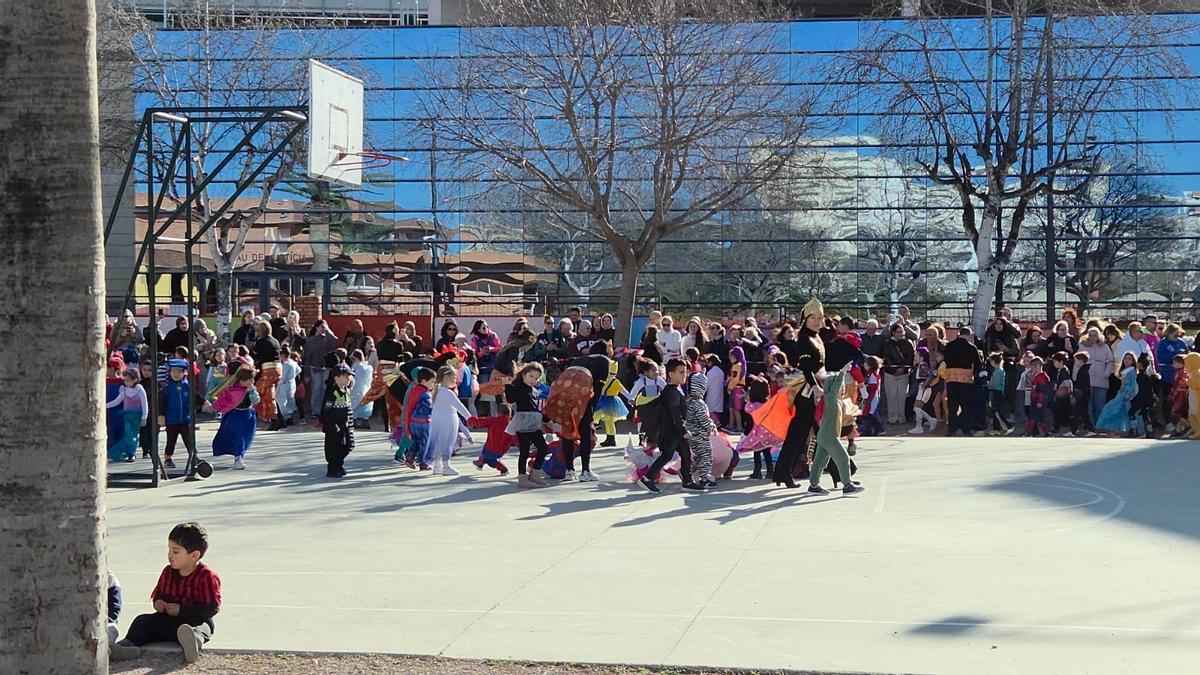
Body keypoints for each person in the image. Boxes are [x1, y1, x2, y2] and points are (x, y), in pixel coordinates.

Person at [109, 522, 221, 664]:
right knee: (142, 621)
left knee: (201, 628)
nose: (169, 555)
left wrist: (182, 610)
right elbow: (159, 594)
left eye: (175, 552)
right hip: (166, 620)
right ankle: (126, 645)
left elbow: (211, 607)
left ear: (194, 555)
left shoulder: (207, 576)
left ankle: (193, 643)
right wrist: (159, 603)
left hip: (194, 620)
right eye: (169, 550)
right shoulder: (168, 572)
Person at [773, 299, 827, 487]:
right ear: (806, 318)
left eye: (820, 317)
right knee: (821, 432)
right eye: (813, 317)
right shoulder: (804, 338)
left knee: (806, 433)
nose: (817, 320)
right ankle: (842, 472)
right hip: (807, 393)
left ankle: (782, 471)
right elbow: (805, 367)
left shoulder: (817, 336)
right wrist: (815, 387)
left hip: (815, 389)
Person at [637, 358, 703, 494]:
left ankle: (687, 481)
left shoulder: (675, 389)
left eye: (685, 372)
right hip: (672, 431)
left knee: (685, 454)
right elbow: (675, 413)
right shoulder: (672, 391)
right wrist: (683, 430)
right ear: (671, 374)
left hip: (675, 431)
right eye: (681, 372)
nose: (684, 375)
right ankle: (647, 478)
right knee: (667, 455)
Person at [807, 363, 865, 495]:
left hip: (825, 435)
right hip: (829, 436)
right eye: (841, 386)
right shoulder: (831, 398)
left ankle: (814, 485)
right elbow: (834, 389)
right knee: (843, 458)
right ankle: (847, 485)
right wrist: (842, 372)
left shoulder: (833, 399)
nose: (843, 388)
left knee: (820, 461)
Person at [563, 341, 615, 481]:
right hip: (583, 394)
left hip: (567, 392)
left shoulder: (579, 359)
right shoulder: (604, 360)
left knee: (568, 430)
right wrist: (591, 409)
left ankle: (569, 470)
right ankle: (585, 471)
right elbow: (599, 386)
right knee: (585, 431)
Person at [506, 363, 553, 488]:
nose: (534, 380)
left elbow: (537, 408)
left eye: (537, 378)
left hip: (534, 422)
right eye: (531, 376)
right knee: (524, 452)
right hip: (523, 423)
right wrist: (507, 385)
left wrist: (547, 420)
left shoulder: (534, 391)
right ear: (524, 374)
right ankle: (522, 478)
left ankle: (535, 474)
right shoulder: (517, 387)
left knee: (543, 449)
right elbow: (510, 399)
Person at [211, 365, 258, 470]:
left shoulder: (251, 390)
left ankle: (240, 456)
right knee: (238, 437)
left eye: (252, 380)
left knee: (246, 437)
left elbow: (256, 401)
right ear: (241, 380)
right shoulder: (232, 389)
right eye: (248, 380)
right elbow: (223, 400)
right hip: (235, 416)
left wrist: (252, 392)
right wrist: (216, 407)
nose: (250, 382)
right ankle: (238, 458)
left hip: (248, 416)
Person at [428, 366, 473, 476]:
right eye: (454, 377)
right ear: (446, 377)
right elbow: (459, 406)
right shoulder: (447, 392)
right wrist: (470, 418)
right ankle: (446, 466)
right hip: (448, 421)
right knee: (447, 442)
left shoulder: (436, 391)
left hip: (438, 421)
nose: (455, 380)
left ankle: (437, 466)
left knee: (439, 442)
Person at [684, 371, 718, 489]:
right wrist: (712, 427)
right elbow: (704, 419)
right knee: (705, 455)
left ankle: (686, 471)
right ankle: (704, 478)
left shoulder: (688, 401)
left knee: (697, 456)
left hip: (691, 434)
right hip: (701, 435)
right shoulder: (699, 403)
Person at [106, 367, 148, 463]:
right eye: (125, 380)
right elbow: (117, 401)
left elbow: (144, 404)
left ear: (135, 380)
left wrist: (144, 417)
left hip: (137, 416)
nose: (125, 382)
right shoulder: (123, 389)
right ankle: (128, 452)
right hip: (127, 416)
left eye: (128, 380)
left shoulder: (139, 389)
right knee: (128, 434)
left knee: (134, 435)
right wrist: (105, 406)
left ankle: (131, 453)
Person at [398, 367, 436, 470]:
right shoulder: (426, 394)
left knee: (415, 441)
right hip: (424, 422)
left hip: (413, 422)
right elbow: (429, 408)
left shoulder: (413, 390)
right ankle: (424, 462)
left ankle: (410, 458)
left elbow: (409, 407)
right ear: (424, 381)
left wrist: (407, 421)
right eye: (432, 382)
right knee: (425, 442)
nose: (433, 385)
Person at [468, 400, 516, 476]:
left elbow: (479, 422)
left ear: (498, 413)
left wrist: (470, 420)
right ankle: (502, 469)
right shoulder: (511, 425)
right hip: (502, 450)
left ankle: (480, 463)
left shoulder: (493, 420)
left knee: (486, 456)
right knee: (491, 459)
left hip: (490, 446)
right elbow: (514, 438)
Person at [160, 359, 192, 469]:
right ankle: (168, 458)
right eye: (174, 371)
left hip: (185, 419)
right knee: (171, 441)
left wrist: (204, 403)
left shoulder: (187, 385)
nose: (176, 374)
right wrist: (161, 416)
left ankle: (194, 457)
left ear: (184, 373)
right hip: (171, 420)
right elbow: (162, 402)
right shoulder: (166, 387)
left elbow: (195, 397)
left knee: (189, 439)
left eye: (179, 372)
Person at [303, 320, 338, 422]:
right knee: (316, 389)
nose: (323, 329)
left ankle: (324, 409)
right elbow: (307, 357)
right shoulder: (310, 341)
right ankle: (316, 411)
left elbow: (335, 340)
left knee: (325, 388)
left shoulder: (327, 339)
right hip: (315, 367)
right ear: (317, 327)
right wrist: (307, 373)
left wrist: (328, 330)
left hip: (326, 368)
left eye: (324, 327)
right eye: (322, 327)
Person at [1097, 352, 1138, 435]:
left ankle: (1133, 429)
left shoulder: (1131, 371)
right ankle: (1125, 429)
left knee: (1113, 408)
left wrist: (1129, 394)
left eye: (1129, 359)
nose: (1127, 361)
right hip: (1122, 392)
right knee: (1121, 411)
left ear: (1133, 361)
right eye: (1125, 359)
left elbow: (1133, 384)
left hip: (1126, 393)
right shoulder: (1124, 371)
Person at [251, 322, 282, 431]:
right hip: (278, 369)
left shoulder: (261, 342)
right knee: (271, 394)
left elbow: (259, 357)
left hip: (267, 370)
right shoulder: (275, 341)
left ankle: (274, 419)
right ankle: (279, 418)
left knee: (265, 394)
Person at [1080, 327, 1114, 427]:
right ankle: (1091, 426)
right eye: (1090, 335)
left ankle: (1101, 426)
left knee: (1100, 405)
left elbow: (1110, 361)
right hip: (1087, 380)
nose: (1092, 337)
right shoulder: (1082, 346)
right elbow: (1078, 362)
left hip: (1101, 380)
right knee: (1088, 405)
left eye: (1095, 335)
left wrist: (1106, 373)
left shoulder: (1105, 347)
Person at [882, 322, 915, 425]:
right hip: (890, 373)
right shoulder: (887, 343)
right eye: (898, 332)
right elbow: (887, 357)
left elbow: (910, 357)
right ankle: (892, 418)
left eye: (902, 332)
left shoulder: (908, 343)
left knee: (902, 396)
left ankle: (901, 418)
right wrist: (895, 370)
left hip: (904, 373)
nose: (901, 334)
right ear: (893, 333)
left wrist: (902, 369)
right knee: (891, 396)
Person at [1156, 323, 1187, 425]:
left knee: (1181, 401)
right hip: (1167, 376)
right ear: (1169, 333)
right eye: (1175, 335)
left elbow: (1187, 356)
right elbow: (1160, 358)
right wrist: (1175, 355)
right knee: (1168, 400)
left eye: (1178, 335)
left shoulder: (1181, 343)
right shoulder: (1162, 344)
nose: (1176, 337)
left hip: (1181, 377)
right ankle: (1168, 422)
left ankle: (1181, 423)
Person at [1023, 356, 1053, 437]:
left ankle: (1045, 432)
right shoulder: (1036, 377)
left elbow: (1042, 391)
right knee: (1032, 417)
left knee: (1040, 417)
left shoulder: (1043, 378)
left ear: (1038, 366)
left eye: (1032, 366)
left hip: (1039, 401)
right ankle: (1029, 431)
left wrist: (1040, 401)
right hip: (1034, 400)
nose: (1031, 369)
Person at [1131, 354, 1157, 438]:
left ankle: (1134, 430)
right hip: (1146, 399)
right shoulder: (1147, 376)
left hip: (1141, 399)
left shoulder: (1140, 377)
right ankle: (1150, 431)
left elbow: (1141, 390)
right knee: (1145, 415)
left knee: (1131, 413)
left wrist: (1135, 398)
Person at [1071, 351, 1095, 437]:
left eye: (1076, 360)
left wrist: (1078, 391)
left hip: (1082, 396)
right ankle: (1076, 429)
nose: (1075, 362)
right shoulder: (1083, 370)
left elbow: (1083, 385)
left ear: (1081, 361)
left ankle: (1075, 430)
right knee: (1081, 413)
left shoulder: (1083, 371)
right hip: (1083, 395)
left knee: (1081, 413)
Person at [349, 349, 374, 429]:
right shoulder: (368, 367)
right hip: (366, 388)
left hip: (357, 388)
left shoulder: (355, 367)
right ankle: (365, 421)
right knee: (365, 405)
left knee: (354, 404)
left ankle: (354, 421)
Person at [725, 346, 748, 432]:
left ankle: (739, 426)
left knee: (736, 409)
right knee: (731, 408)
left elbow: (735, 379)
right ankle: (731, 424)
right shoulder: (734, 366)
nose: (730, 358)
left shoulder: (737, 366)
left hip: (737, 389)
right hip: (734, 388)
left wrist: (730, 388)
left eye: (731, 356)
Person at [276, 346, 299, 427]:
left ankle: (286, 416)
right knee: (290, 400)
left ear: (282, 355)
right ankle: (290, 416)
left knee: (282, 401)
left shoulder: (284, 365)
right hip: (292, 383)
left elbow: (282, 376)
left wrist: (278, 384)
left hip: (284, 384)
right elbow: (299, 370)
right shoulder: (293, 362)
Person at [703, 354, 725, 426]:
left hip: (711, 392)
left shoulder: (710, 372)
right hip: (719, 392)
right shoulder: (721, 371)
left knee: (710, 409)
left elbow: (707, 383)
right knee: (717, 410)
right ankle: (717, 422)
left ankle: (717, 423)